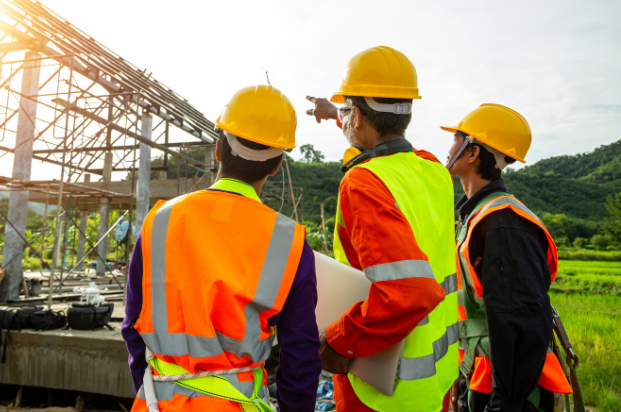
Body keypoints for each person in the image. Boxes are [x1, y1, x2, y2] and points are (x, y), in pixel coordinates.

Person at [123, 85, 321, 412]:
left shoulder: (158, 221)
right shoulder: (290, 242)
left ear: (218, 149)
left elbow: (133, 328)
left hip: (156, 404)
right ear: (276, 165)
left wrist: (152, 392)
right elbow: (300, 356)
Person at [306, 46, 459, 412]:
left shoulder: (364, 183)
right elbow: (383, 149)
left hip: (382, 393)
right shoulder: (433, 170)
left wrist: (338, 340)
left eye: (348, 112)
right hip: (436, 382)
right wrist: (338, 114)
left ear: (357, 116)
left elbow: (409, 293)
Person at [442, 104, 572, 412]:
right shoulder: (477, 215)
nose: (449, 147)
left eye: (457, 138)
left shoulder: (503, 223)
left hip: (506, 395)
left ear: (473, 152)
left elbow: (521, 324)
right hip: (481, 379)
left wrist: (503, 406)